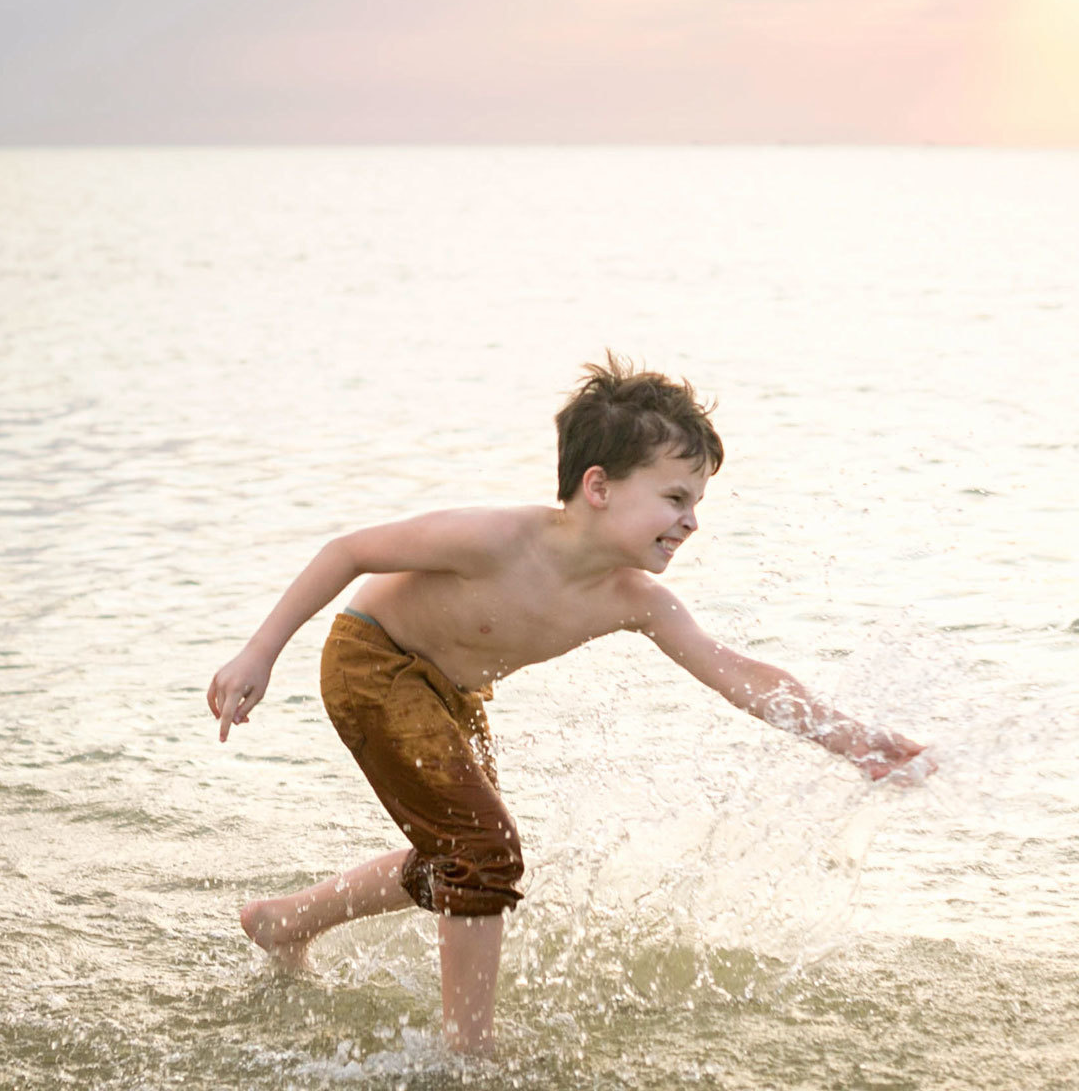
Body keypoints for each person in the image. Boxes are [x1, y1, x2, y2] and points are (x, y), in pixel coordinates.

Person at [207, 355, 929, 1055]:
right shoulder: (499, 540)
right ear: (599, 486)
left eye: (697, 504)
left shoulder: (633, 599)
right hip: (374, 661)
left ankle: (285, 922)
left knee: (461, 856)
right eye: (675, 499)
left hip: (448, 694)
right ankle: (469, 1050)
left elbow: (733, 670)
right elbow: (350, 550)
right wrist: (258, 654)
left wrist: (852, 740)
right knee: (482, 850)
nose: (691, 523)